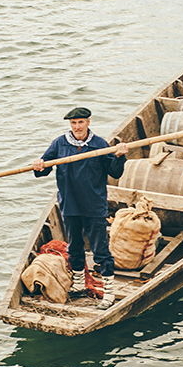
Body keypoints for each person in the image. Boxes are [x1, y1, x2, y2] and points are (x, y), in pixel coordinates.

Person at [32, 107, 128, 310]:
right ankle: (78, 284)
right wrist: (39, 165)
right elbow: (44, 169)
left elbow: (115, 172)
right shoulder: (60, 143)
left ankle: (109, 292)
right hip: (70, 204)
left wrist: (119, 156)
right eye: (74, 123)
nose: (77, 127)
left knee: (100, 249)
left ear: (88, 122)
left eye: (81, 122)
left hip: (94, 205)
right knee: (74, 246)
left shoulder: (99, 144)